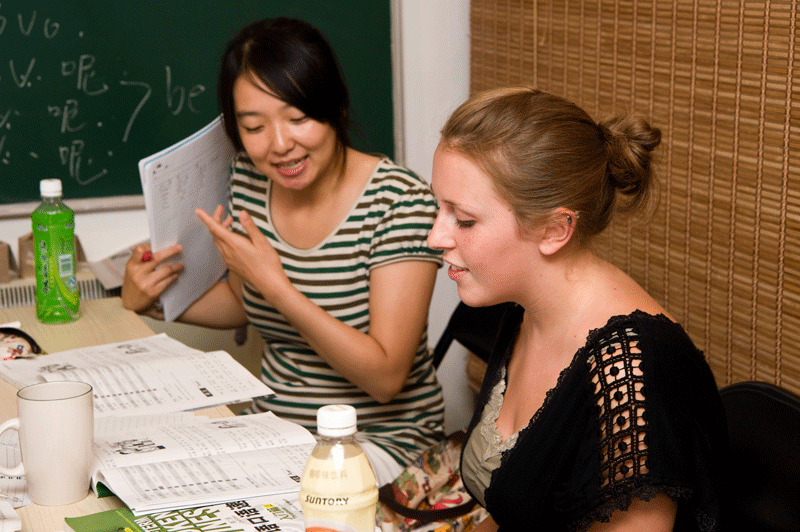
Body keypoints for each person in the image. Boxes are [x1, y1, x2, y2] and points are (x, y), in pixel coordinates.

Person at [121, 17, 445, 484]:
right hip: (274, 431)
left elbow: (385, 376)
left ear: (332, 106)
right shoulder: (251, 182)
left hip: (382, 443)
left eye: (298, 118)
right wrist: (152, 299)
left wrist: (278, 287)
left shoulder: (400, 202)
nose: (279, 145)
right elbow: (242, 302)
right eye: (254, 127)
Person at [426, 87, 728, 531]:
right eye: (439, 208)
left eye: (464, 219)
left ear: (555, 228)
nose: (436, 237)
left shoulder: (631, 375)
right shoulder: (524, 306)